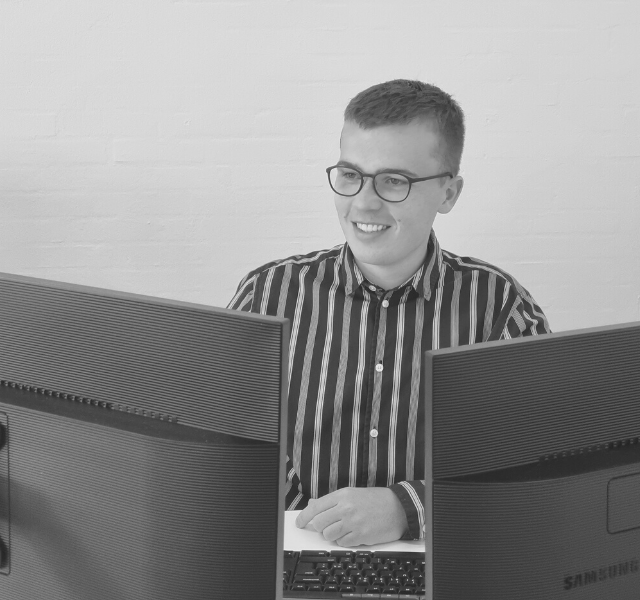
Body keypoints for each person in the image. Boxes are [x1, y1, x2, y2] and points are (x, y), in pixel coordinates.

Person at [228, 79, 550, 547]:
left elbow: (536, 466)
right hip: (294, 551)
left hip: (444, 557)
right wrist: (311, 522)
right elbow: (225, 445)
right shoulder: (267, 296)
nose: (363, 202)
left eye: (394, 181)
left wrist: (408, 507)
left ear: (448, 194)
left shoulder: (501, 309)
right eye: (350, 174)